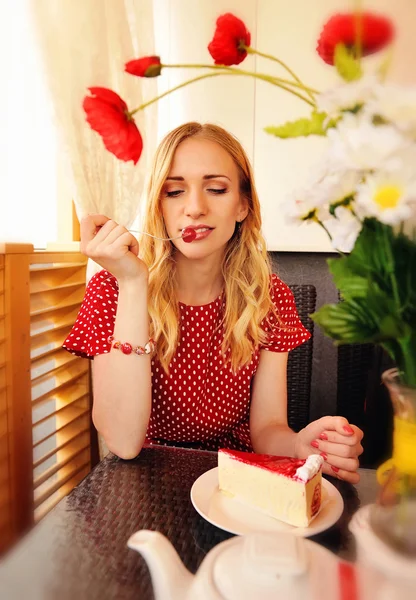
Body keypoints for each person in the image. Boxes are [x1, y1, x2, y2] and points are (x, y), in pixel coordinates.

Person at [64, 122, 363, 483]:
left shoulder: (269, 296)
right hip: (143, 474)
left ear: (242, 205)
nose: (194, 208)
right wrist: (132, 283)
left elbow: (267, 428)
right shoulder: (112, 290)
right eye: (174, 192)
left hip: (233, 472)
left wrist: (301, 445)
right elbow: (124, 443)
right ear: (158, 207)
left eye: (216, 189)